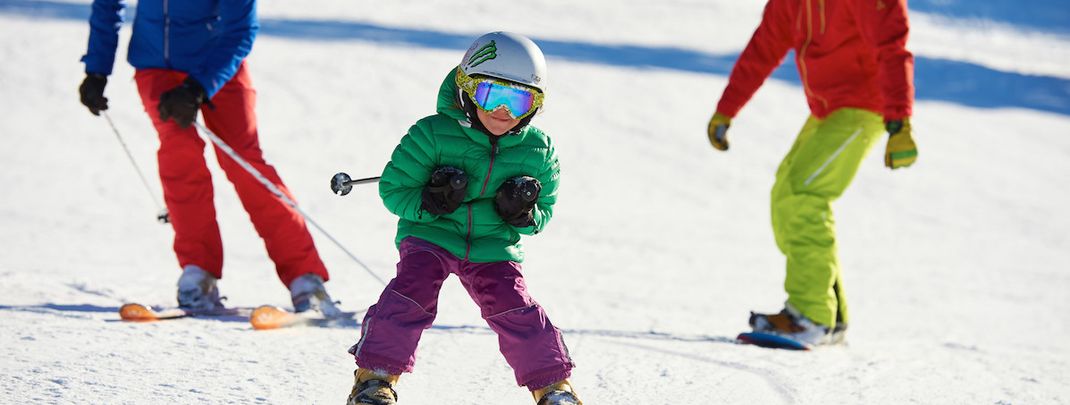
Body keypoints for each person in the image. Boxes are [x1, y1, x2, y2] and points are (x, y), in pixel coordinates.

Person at [344, 32, 580, 405]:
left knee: (516, 308)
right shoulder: (432, 134)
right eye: (492, 95)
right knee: (410, 295)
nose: (504, 112)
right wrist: (431, 200)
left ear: (535, 105)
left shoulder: (538, 150)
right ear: (468, 90)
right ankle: (374, 379)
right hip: (431, 236)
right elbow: (393, 190)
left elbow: (544, 212)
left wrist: (520, 212)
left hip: (492, 245)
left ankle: (553, 388)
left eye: (519, 100)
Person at [78, 0, 339, 316]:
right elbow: (108, 4)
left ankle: (305, 277)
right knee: (179, 157)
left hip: (218, 64)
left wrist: (198, 87)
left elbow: (241, 29)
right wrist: (96, 68)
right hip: (155, 68)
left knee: (244, 162)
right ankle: (198, 271)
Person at [707, 0, 918, 347]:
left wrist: (900, 122)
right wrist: (726, 109)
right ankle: (829, 315)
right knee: (787, 193)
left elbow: (892, 46)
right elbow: (764, 47)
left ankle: (811, 315)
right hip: (828, 109)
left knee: (805, 193)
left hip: (864, 106)